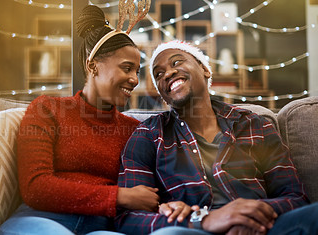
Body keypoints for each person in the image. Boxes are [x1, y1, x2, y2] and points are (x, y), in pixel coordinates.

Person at [115, 40, 318, 235]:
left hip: (265, 227)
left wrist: (248, 213)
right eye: (158, 74)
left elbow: (295, 197)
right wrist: (202, 220)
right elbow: (129, 218)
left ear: (205, 69)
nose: (168, 73)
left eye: (177, 62)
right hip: (192, 231)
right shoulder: (148, 135)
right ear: (161, 92)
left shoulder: (254, 124)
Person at [0, 5, 159, 235]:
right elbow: (36, 187)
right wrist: (120, 196)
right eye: (126, 68)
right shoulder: (47, 110)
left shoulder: (135, 130)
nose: (133, 79)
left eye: (137, 72)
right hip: (41, 219)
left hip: (102, 227)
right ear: (93, 66)